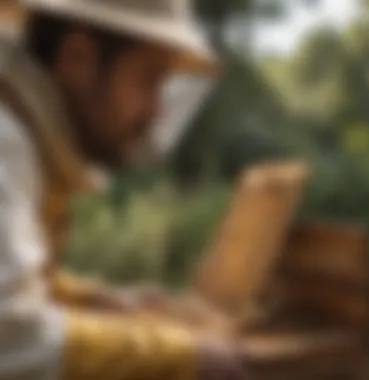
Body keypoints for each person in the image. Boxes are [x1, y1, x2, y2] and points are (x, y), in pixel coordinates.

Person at [0, 0, 250, 379]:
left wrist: (93, 301)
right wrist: (185, 357)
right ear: (78, 58)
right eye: (148, 80)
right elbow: (10, 337)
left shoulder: (20, 138)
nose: (157, 111)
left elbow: (17, 281)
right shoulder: (6, 142)